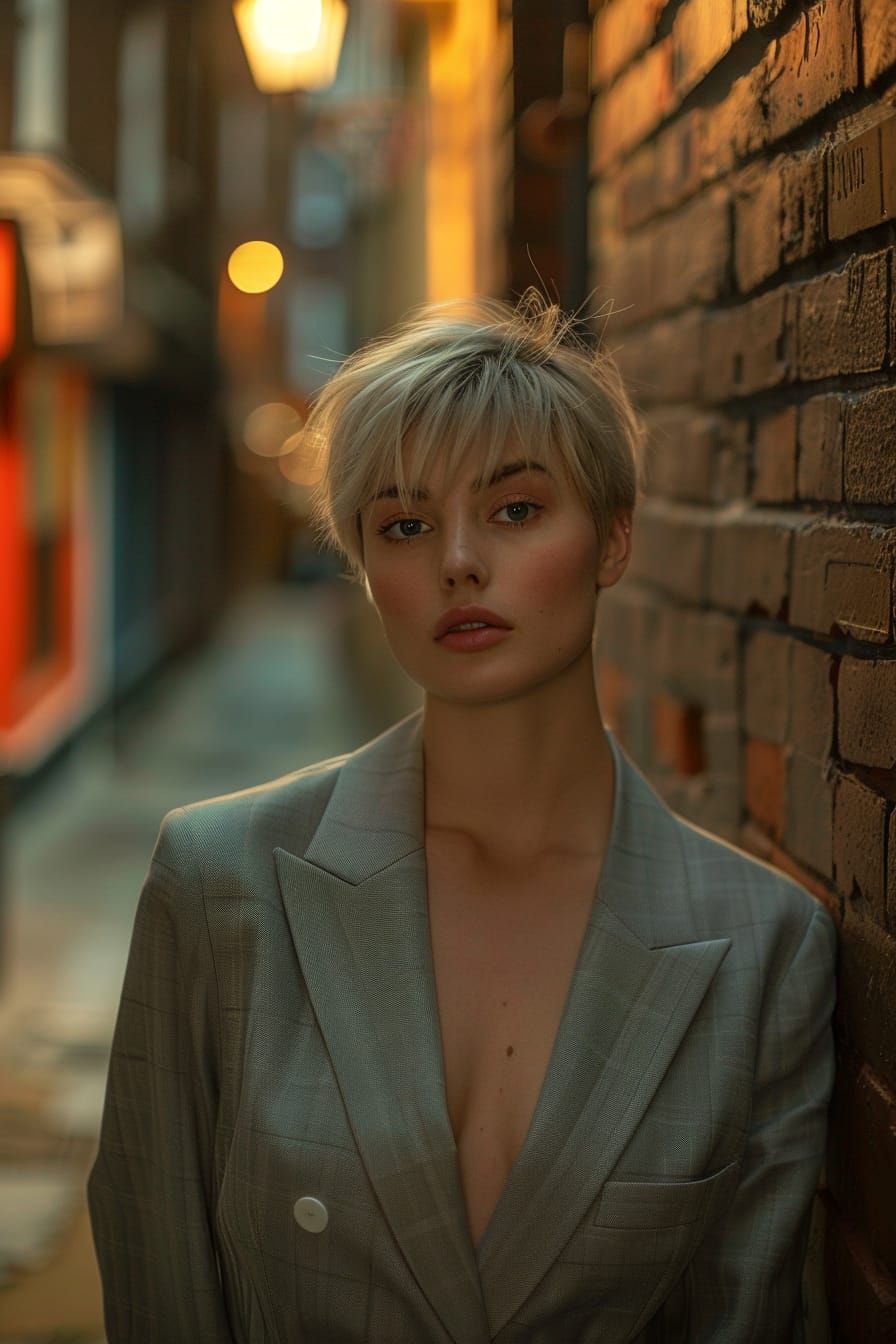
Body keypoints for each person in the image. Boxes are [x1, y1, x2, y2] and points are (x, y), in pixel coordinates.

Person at [88, 292, 836, 1343]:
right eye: (404, 525)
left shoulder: (760, 944)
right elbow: (159, 1281)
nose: (456, 560)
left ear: (611, 539)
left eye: (515, 509)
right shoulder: (219, 879)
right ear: (364, 567)